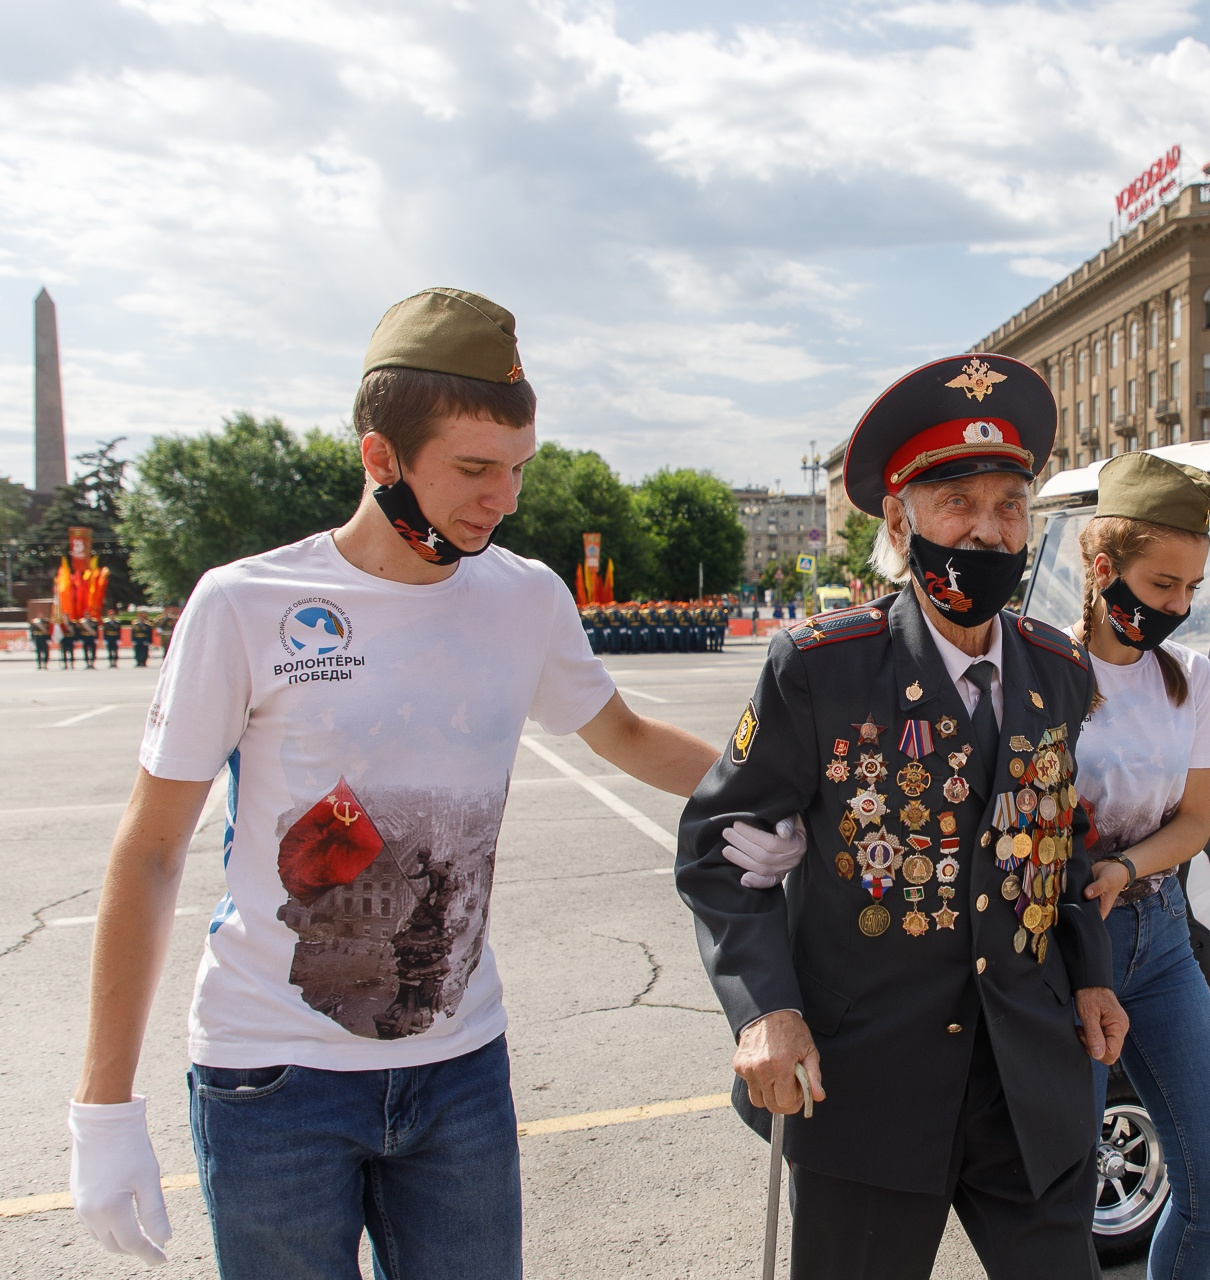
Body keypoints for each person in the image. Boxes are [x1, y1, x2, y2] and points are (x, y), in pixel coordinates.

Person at [66, 287, 761, 1277]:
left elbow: (626, 733)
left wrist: (776, 796)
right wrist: (103, 1105)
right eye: (474, 469)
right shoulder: (247, 605)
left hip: (458, 1070)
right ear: (379, 457)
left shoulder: (524, 597)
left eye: (518, 469)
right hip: (274, 1076)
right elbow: (148, 849)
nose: (504, 499)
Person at [676, 354, 1128, 1280]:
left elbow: (1060, 841)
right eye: (958, 503)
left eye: (1010, 505)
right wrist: (765, 1011)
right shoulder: (825, 667)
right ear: (900, 520)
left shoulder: (1060, 671)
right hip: (868, 1089)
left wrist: (1089, 974)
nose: (990, 531)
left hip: (1028, 1081)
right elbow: (724, 855)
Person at [1073, 454, 1210, 1278]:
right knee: (1062, 1199)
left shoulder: (1192, 678)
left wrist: (1125, 867)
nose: (1178, 607)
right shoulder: (1044, 671)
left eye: (1191, 589)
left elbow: (1195, 822)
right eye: (1162, 584)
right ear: (1105, 569)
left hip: (1162, 932)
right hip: (1069, 945)